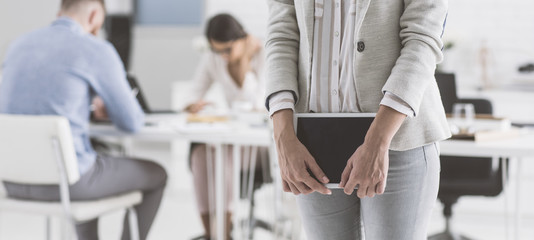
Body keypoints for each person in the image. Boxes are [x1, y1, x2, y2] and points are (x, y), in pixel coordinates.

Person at [265, 1, 451, 240]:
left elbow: (423, 40)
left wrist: (378, 141)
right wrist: (283, 136)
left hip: (397, 140)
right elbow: (281, 35)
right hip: (312, 143)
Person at [0, 0, 167, 239]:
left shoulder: (17, 45)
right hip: (69, 184)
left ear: (60, 13)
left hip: (13, 181)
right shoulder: (95, 49)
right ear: (94, 16)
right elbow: (131, 122)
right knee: (157, 174)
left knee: (87, 159)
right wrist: (109, 108)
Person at [185, 14, 266, 240]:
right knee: (200, 154)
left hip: (259, 147)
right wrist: (195, 104)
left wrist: (245, 62)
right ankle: (214, 234)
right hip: (230, 140)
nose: (223, 56)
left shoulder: (265, 54)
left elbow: (255, 105)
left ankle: (223, 232)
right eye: (217, 50)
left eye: (228, 50)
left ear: (243, 38)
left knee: (223, 154)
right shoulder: (216, 57)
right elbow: (193, 92)